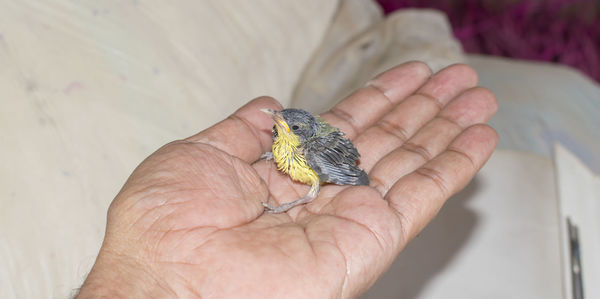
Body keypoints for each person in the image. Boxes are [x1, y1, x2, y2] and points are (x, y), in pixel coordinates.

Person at [76, 62, 498, 298]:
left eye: (287, 127)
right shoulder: (282, 143)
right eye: (279, 122)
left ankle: (287, 205)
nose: (277, 123)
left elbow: (342, 168)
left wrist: (289, 202)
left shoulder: (310, 151)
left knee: (312, 184)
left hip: (329, 165)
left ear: (302, 134)